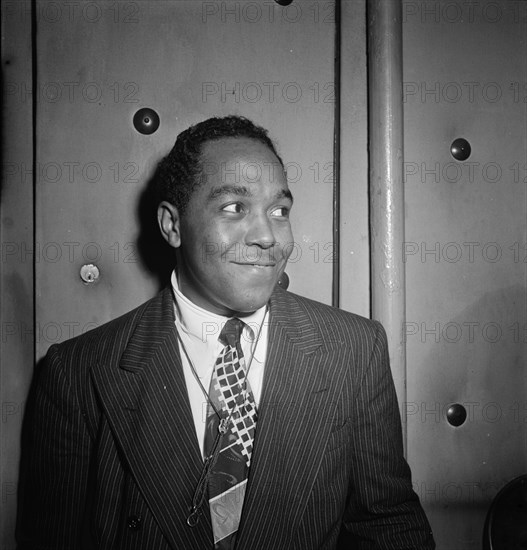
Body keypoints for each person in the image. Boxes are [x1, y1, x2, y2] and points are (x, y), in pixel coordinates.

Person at [17, 116, 435, 549]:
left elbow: (389, 526)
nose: (268, 236)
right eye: (234, 207)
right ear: (172, 225)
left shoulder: (354, 348)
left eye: (279, 211)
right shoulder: (78, 371)